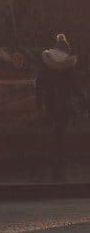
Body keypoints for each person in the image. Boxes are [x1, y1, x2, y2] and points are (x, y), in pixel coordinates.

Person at [35, 33, 81, 180]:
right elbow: (76, 85)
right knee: (61, 129)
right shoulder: (69, 65)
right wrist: (83, 99)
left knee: (52, 126)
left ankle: (52, 154)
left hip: (50, 100)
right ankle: (60, 155)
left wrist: (39, 101)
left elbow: (39, 83)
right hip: (65, 101)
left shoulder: (45, 63)